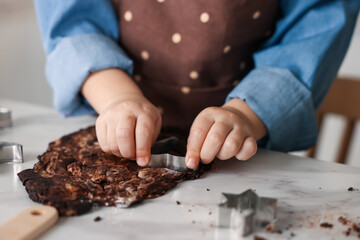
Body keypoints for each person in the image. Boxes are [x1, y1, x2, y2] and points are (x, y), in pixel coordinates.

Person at [34, 0, 359, 169]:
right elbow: (73, 23)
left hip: (240, 156)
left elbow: (313, 28)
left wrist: (244, 116)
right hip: (110, 137)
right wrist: (117, 98)